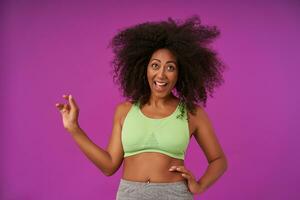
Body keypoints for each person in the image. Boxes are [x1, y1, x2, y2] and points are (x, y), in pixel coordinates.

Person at [55, 15, 228, 200]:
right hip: (130, 194)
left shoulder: (193, 113)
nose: (161, 74)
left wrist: (200, 185)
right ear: (143, 68)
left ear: (181, 72)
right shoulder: (125, 111)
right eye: (155, 65)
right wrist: (74, 129)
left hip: (175, 195)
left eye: (170, 68)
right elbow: (109, 166)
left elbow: (219, 161)